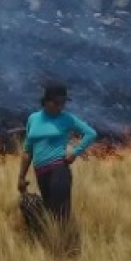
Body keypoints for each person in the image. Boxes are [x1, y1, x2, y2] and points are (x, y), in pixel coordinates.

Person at [17, 81, 98, 223]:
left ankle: (65, 242)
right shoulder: (33, 119)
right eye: (57, 102)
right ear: (47, 101)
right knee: (49, 211)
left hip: (58, 168)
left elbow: (90, 133)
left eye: (63, 102)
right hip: (40, 171)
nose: (60, 106)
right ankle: (52, 240)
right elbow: (27, 150)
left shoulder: (66, 118)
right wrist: (21, 177)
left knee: (60, 211)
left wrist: (75, 152)